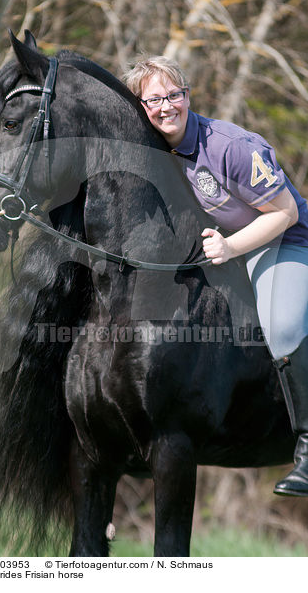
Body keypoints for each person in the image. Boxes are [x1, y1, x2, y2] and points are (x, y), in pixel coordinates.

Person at [124, 56, 308, 497]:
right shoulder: (152, 147)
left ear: (188, 96)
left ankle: (307, 449)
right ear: (140, 107)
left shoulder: (231, 146)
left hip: (284, 239)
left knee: (282, 327)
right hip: (226, 246)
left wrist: (230, 248)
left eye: (174, 95)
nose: (167, 106)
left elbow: (286, 212)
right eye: (154, 99)